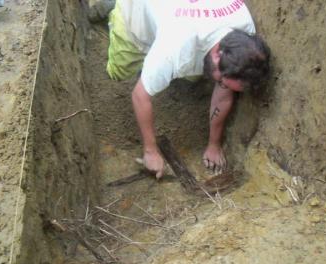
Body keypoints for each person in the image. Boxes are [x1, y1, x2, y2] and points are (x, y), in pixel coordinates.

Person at [102, 0, 270, 178]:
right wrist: (150, 151)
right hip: (137, 12)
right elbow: (139, 95)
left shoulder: (245, 29)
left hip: (179, 20)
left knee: (194, 72)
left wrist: (214, 144)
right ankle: (108, 7)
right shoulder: (173, 47)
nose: (223, 87)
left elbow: (224, 93)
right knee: (119, 70)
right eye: (222, 82)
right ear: (217, 53)